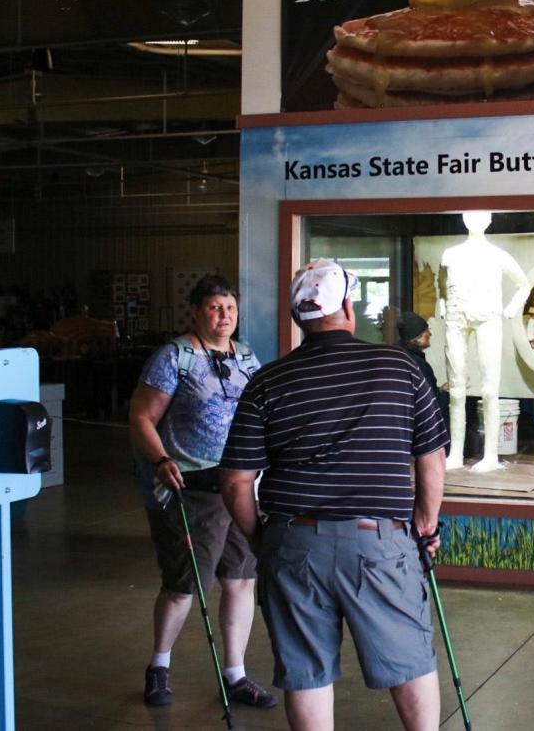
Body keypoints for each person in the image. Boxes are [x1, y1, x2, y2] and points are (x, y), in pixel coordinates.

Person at [220, 259, 448, 731]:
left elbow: (236, 481)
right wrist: (426, 528)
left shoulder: (266, 382)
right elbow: (432, 459)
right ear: (347, 306)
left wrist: (262, 541)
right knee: (409, 659)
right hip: (379, 543)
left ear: (297, 316)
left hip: (293, 542)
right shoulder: (399, 366)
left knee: (305, 673)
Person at [128, 274, 276, 710]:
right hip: (193, 487)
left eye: (229, 308)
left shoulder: (246, 356)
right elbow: (140, 417)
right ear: (195, 311)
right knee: (184, 586)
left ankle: (236, 675)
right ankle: (159, 666)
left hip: (242, 485)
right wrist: (161, 460)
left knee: (240, 580)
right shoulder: (174, 358)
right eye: (214, 308)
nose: (224, 316)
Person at [439, 210, 528, 471]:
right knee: (456, 390)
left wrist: (510, 309)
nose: (474, 219)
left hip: (488, 317)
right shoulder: (450, 254)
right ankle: (455, 454)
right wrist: (443, 304)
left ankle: (490, 455)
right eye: (469, 214)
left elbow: (523, 284)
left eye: (480, 215)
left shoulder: (497, 255)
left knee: (490, 389)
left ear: (489, 220)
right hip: (457, 318)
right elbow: (441, 283)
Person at [396, 310, 449, 425]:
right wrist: (446, 395)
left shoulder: (399, 356)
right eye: (426, 331)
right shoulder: (417, 364)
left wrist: (440, 390)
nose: (430, 333)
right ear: (417, 338)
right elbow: (431, 406)